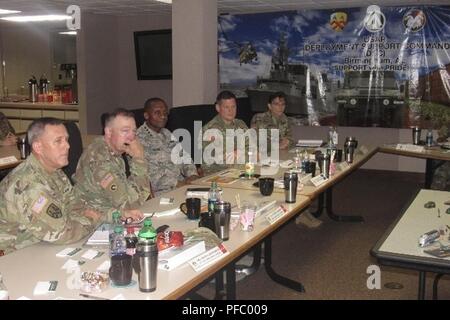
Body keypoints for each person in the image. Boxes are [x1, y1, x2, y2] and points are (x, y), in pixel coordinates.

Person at [0, 118, 98, 255]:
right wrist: (90, 219)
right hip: (13, 255)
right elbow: (63, 234)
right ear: (38, 147)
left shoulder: (55, 171)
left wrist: (81, 217)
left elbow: (74, 204)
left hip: (40, 245)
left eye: (66, 139)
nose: (68, 146)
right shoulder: (29, 185)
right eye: (58, 141)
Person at [72, 109, 151, 223]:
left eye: (134, 131)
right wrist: (139, 159)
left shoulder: (114, 151)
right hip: (93, 223)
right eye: (125, 131)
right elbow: (128, 204)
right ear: (108, 132)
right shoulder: (100, 158)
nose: (131, 137)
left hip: (110, 216)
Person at [136, 98, 202, 196]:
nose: (163, 116)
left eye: (165, 113)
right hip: (161, 192)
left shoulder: (167, 133)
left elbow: (184, 156)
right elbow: (150, 175)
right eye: (157, 113)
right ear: (146, 115)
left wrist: (192, 174)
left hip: (183, 186)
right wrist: (179, 184)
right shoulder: (138, 139)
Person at [201, 90, 250, 174]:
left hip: (240, 171)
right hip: (216, 175)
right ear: (218, 108)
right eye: (226, 107)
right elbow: (225, 161)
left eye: (233, 106)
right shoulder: (210, 130)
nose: (231, 111)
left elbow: (252, 149)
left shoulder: (240, 124)